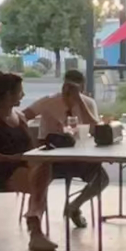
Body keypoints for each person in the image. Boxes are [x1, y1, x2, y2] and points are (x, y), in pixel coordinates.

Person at [0, 71, 58, 251]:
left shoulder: (20, 117)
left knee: (44, 168)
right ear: (7, 94)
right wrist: (11, 158)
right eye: (20, 91)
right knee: (39, 183)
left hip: (21, 166)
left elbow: (30, 148)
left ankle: (34, 226)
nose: (23, 95)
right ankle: (35, 230)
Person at [24, 69, 109, 229]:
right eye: (67, 87)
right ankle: (34, 220)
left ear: (82, 88)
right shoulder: (49, 102)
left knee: (102, 178)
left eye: (75, 88)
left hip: (79, 156)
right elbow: (24, 116)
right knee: (39, 180)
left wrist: (80, 101)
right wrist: (29, 141)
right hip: (52, 159)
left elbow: (95, 130)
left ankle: (74, 206)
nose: (69, 92)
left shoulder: (88, 103)